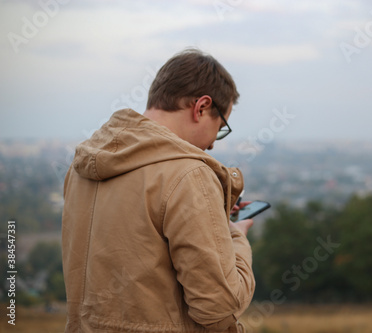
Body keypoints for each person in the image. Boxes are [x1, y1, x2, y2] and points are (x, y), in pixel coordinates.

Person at [62, 49, 255, 332]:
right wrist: (235, 237)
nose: (214, 144)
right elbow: (218, 309)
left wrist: (211, 216)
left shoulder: (81, 167)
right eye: (221, 126)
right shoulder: (189, 175)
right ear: (201, 107)